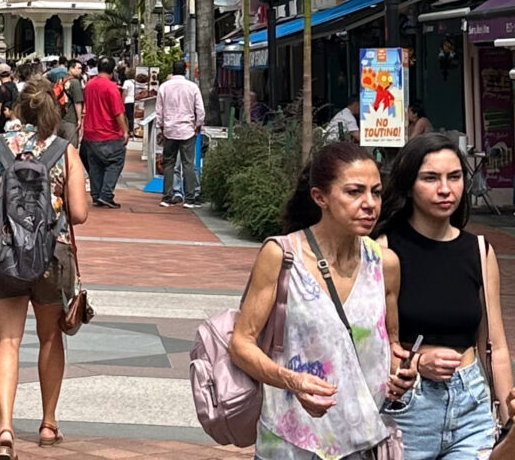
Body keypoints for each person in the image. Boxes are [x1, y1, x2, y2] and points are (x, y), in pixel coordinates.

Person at [230, 141, 415, 460]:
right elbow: (241, 343)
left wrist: (401, 372)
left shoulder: (385, 264)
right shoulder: (283, 256)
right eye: (354, 192)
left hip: (362, 442)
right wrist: (292, 380)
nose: (369, 203)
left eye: (376, 192)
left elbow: (392, 344)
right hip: (290, 442)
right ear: (321, 197)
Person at [374, 133, 512, 460]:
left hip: (471, 407)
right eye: (430, 178)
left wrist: (509, 425)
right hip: (406, 407)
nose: (445, 189)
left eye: (454, 177)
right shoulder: (384, 249)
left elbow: (496, 347)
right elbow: (366, 345)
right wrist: (418, 363)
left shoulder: (478, 251)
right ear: (409, 184)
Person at [0, 78, 89, 459]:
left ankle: (5, 428)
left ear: (16, 109)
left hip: (2, 257)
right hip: (51, 257)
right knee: (50, 337)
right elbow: (80, 214)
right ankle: (48, 422)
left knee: (7, 341)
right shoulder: (63, 151)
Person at [154, 60, 205, 208]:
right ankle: (190, 198)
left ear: (173, 70)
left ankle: (167, 196)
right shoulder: (192, 87)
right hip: (187, 130)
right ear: (185, 70)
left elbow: (159, 110)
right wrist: (197, 126)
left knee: (169, 163)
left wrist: (161, 126)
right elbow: (200, 110)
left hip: (169, 130)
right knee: (188, 164)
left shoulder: (164, 87)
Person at [81, 56, 128, 209]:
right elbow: (118, 112)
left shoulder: (89, 84)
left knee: (95, 164)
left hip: (90, 132)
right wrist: (125, 131)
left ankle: (96, 195)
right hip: (108, 133)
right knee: (115, 162)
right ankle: (106, 194)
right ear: (113, 70)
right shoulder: (111, 87)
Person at [59, 59, 85, 147]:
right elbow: (77, 102)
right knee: (71, 148)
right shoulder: (75, 82)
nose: (80, 70)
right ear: (71, 68)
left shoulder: (61, 80)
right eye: (78, 68)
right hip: (71, 119)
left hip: (59, 118)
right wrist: (79, 119)